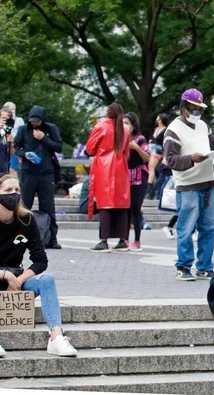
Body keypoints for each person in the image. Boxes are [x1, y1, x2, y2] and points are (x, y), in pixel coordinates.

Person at [0, 173, 78, 357]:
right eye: (8, 190)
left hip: (16, 278)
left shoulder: (26, 219)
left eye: (17, 190)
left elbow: (40, 259)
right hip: (2, 276)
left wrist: (17, 280)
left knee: (47, 279)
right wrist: (4, 275)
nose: (14, 194)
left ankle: (56, 337)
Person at [164, 88, 214, 281]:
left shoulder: (203, 126)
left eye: (200, 109)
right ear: (183, 108)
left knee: (210, 228)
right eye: (193, 109)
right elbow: (171, 159)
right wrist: (192, 159)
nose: (197, 113)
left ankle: (204, 267)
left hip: (207, 184)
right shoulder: (173, 130)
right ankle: (183, 266)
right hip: (188, 187)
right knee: (186, 229)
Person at [13, 105, 63, 249]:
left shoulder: (51, 129)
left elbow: (58, 146)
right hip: (29, 173)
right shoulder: (23, 130)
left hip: (46, 173)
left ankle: (51, 238)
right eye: (32, 121)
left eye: (37, 121)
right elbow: (16, 146)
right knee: (24, 206)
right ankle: (20, 237)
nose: (34, 123)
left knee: (48, 207)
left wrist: (43, 139)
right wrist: (24, 154)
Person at [85, 103, 131, 253]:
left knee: (105, 203)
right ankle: (123, 240)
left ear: (108, 113)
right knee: (121, 203)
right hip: (121, 168)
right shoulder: (125, 130)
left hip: (104, 167)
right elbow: (127, 152)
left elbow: (90, 148)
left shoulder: (101, 127)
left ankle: (104, 240)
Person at [124, 112, 150, 252]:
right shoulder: (120, 140)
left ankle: (137, 240)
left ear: (133, 125)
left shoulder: (139, 139)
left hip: (139, 177)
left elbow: (147, 158)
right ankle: (125, 239)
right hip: (125, 177)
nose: (124, 126)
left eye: (127, 123)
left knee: (135, 208)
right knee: (126, 209)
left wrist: (136, 148)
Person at [147, 113, 170, 199]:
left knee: (151, 167)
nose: (157, 120)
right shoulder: (156, 129)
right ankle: (153, 188)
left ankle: (149, 189)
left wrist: (164, 156)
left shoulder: (165, 131)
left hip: (157, 150)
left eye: (158, 118)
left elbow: (165, 144)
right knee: (153, 169)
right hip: (151, 149)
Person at [4, 102, 25, 178]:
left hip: (14, 146)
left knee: (12, 169)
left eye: (14, 109)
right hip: (3, 146)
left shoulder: (19, 120)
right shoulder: (2, 120)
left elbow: (23, 134)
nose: (13, 111)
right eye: (11, 109)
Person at [0, 107, 15, 175]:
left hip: (4, 169)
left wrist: (10, 143)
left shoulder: (7, 133)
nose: (4, 122)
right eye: (3, 119)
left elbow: (11, 154)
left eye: (7, 120)